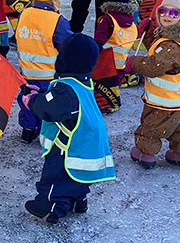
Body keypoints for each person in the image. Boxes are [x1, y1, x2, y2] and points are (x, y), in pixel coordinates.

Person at [22, 33, 115, 224]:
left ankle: (49, 207)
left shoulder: (66, 89)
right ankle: (78, 201)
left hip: (71, 147)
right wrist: (41, 94)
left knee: (57, 176)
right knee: (77, 179)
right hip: (88, 143)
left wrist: (31, 100)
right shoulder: (82, 82)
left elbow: (48, 108)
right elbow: (57, 102)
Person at [127, 0, 180, 169]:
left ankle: (145, 153)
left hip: (164, 102)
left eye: (174, 13)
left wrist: (134, 63)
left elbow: (154, 65)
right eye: (163, 11)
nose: (167, 16)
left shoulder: (173, 45)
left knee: (151, 128)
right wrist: (149, 35)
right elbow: (160, 52)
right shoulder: (179, 37)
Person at [15, 0, 73, 144]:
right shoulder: (58, 21)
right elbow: (66, 46)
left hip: (25, 72)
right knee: (46, 103)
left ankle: (27, 130)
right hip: (49, 75)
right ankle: (45, 134)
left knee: (27, 99)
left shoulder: (24, 14)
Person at [94, 0, 138, 83]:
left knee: (101, 92)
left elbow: (99, 41)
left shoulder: (108, 19)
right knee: (114, 92)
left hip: (104, 64)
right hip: (120, 65)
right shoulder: (132, 25)